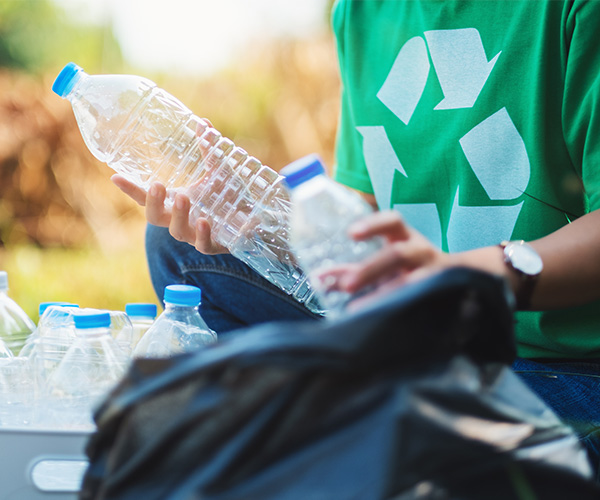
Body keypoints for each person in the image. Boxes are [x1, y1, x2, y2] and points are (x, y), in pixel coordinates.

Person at [112, 0, 600, 480]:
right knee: (181, 248)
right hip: (420, 342)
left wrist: (472, 276)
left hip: (563, 370)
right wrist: (263, 231)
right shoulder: (362, 11)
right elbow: (368, 209)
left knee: (351, 435)